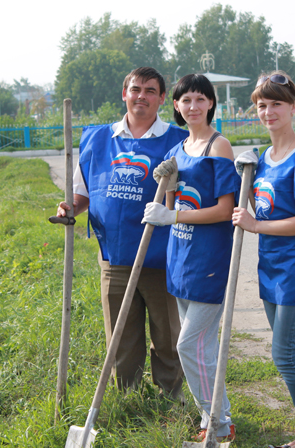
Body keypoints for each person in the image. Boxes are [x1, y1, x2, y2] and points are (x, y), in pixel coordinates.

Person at [56, 67, 187, 398]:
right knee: (120, 337)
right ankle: (127, 399)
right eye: (135, 89)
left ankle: (170, 400)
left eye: (150, 91)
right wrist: (69, 207)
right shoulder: (98, 139)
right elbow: (82, 194)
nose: (141, 95)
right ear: (124, 94)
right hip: (114, 257)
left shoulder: (177, 141)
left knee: (168, 336)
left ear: (161, 98)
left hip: (162, 257)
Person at [232, 71, 295, 448]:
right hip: (270, 266)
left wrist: (256, 225)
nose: (269, 111)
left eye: (277, 103)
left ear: (293, 107)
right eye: (262, 105)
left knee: (285, 355)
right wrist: (245, 172)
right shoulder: (263, 158)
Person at [142, 74, 239, 443]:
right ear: (177, 107)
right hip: (180, 258)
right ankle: (213, 419)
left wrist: (174, 216)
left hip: (209, 260)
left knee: (188, 344)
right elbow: (171, 204)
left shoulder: (219, 146)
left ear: (211, 103)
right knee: (203, 348)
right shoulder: (177, 150)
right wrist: (165, 187)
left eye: (201, 99)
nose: (194, 106)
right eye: (187, 101)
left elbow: (223, 209)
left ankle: (218, 421)